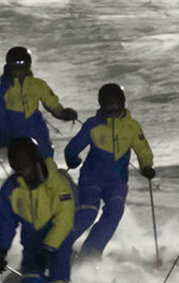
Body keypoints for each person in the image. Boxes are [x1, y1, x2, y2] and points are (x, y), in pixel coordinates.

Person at [0, 137, 88, 283]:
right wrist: (1, 251)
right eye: (17, 165)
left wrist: (50, 246)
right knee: (32, 281)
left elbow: (65, 217)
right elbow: (7, 223)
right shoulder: (11, 190)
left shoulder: (56, 182)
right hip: (32, 243)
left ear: (35, 159)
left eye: (25, 163)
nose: (23, 170)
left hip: (58, 237)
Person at [64, 83, 155, 257]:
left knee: (115, 211)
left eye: (116, 106)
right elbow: (73, 146)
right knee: (89, 211)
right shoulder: (93, 125)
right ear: (101, 105)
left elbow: (143, 149)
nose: (113, 110)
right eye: (108, 106)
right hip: (92, 177)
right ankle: (59, 244)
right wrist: (72, 158)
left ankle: (91, 251)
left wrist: (147, 166)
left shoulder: (131, 126)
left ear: (123, 104)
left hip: (117, 180)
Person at [0, 46, 77, 161]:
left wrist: (62, 113)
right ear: (9, 67)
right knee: (23, 158)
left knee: (45, 153)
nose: (19, 70)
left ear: (28, 66)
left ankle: (48, 174)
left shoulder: (37, 85)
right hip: (15, 130)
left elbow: (52, 103)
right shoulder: (3, 90)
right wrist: (4, 132)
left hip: (35, 126)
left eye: (22, 66)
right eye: (15, 66)